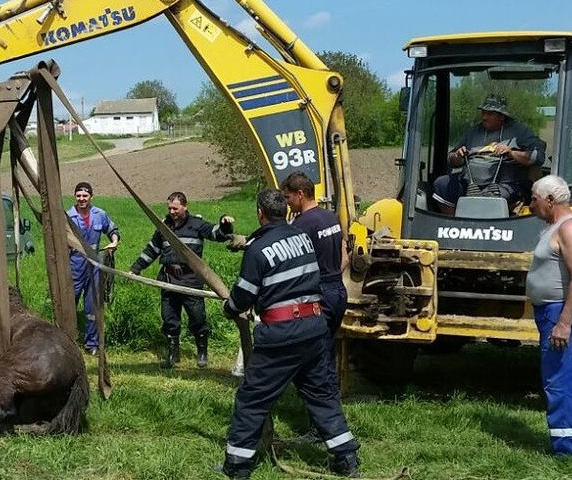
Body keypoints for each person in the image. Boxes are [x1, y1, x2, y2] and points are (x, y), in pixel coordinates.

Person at [218, 189, 359, 479]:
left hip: (281, 334)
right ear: (286, 211)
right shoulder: (302, 238)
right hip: (314, 329)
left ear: (260, 212)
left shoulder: (258, 249)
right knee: (322, 395)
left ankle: (237, 466)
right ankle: (347, 458)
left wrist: (229, 308)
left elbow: (243, 296)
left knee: (253, 398)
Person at [525, 175, 572, 456]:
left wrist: (564, 323)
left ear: (551, 200)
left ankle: (569, 451)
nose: (530, 205)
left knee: (562, 379)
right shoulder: (555, 226)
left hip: (562, 312)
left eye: (534, 199)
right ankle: (565, 445)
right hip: (552, 311)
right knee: (557, 377)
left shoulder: (571, 229)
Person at [130, 191, 234, 369]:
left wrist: (224, 224)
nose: (172, 211)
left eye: (175, 208)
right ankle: (173, 355)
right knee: (170, 318)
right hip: (169, 279)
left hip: (191, 280)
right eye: (169, 208)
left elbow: (216, 234)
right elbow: (152, 250)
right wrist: (136, 268)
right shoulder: (164, 227)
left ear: (185, 207)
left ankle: (202, 354)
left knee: (197, 318)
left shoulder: (197, 224)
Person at [280, 171, 348, 442]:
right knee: (326, 355)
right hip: (337, 291)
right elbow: (344, 253)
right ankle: (329, 416)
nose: (287, 203)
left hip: (320, 295)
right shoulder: (330, 217)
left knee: (316, 362)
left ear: (300, 194)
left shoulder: (303, 224)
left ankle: (323, 427)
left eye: (288, 197)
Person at [433, 94, 545, 215]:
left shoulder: (519, 132)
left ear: (502, 116)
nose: (484, 117)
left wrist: (511, 153)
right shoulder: (473, 132)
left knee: (488, 196)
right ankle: (456, 224)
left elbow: (538, 157)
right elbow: (450, 159)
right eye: (483, 113)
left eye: (490, 114)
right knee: (441, 185)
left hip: (505, 184)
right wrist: (457, 157)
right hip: (470, 183)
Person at [66, 182, 119, 356]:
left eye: (85, 196)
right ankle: (67, 342)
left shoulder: (100, 214)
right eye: (78, 196)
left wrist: (114, 241)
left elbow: (112, 229)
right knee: (69, 303)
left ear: (91, 197)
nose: (81, 199)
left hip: (95, 265)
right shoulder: (68, 216)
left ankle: (92, 344)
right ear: (75, 197)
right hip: (74, 263)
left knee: (93, 306)